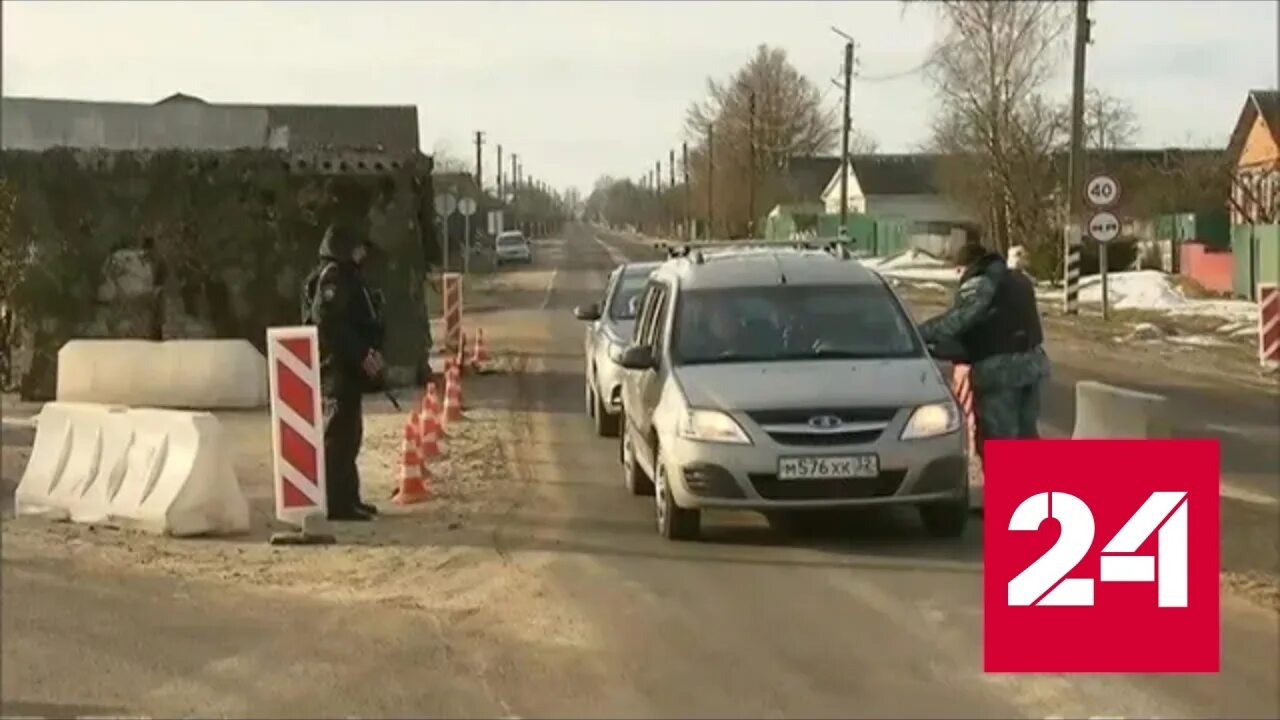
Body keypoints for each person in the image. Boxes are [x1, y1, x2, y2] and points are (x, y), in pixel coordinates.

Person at [917, 240, 1049, 456]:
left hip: (1001, 371)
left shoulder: (981, 283)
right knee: (1026, 437)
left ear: (967, 266)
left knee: (997, 440)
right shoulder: (1018, 279)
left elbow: (957, 322)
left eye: (959, 269)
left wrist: (915, 334)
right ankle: (1034, 488)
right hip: (1032, 366)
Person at [304, 223, 384, 521]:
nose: (362, 253)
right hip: (337, 366)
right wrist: (360, 353)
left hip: (349, 367)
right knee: (338, 436)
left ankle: (349, 497)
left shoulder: (348, 276)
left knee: (351, 435)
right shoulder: (333, 277)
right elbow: (329, 324)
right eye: (357, 247)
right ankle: (336, 503)